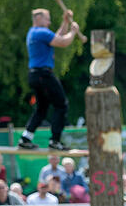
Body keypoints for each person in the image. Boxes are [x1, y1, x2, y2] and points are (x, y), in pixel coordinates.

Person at [17, 8, 81, 150]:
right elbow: (62, 42)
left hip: (35, 75)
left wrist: (65, 23)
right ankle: (55, 141)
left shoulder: (33, 33)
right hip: (44, 75)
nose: (49, 21)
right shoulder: (41, 32)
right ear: (38, 19)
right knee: (61, 105)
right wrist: (73, 31)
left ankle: (26, 138)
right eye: (47, 18)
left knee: (41, 109)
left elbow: (55, 38)